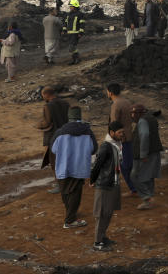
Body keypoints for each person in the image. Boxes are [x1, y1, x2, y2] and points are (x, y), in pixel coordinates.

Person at [51, 106, 97, 229]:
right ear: (80, 116)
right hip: (79, 167)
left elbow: (54, 149)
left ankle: (70, 212)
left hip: (63, 166)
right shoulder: (87, 131)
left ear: (69, 117)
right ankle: (70, 220)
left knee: (65, 191)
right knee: (75, 192)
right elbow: (93, 149)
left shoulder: (60, 131)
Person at [90, 121, 125, 251]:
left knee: (108, 212)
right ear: (111, 133)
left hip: (113, 183)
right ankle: (97, 243)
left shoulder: (117, 145)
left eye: (123, 132)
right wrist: (92, 180)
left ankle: (103, 237)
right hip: (104, 184)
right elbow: (97, 165)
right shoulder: (106, 146)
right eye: (119, 132)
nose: (122, 134)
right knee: (102, 213)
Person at [106, 84, 137, 197]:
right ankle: (134, 188)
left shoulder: (116, 105)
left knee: (124, 165)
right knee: (127, 164)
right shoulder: (127, 102)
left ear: (110, 92)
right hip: (129, 136)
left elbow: (114, 124)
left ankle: (134, 188)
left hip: (121, 139)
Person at [130, 104, 163, 210]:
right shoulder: (151, 118)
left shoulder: (143, 121)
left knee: (135, 176)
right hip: (154, 152)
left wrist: (143, 154)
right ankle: (149, 197)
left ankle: (147, 199)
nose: (132, 115)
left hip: (145, 154)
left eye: (133, 113)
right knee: (149, 176)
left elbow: (144, 135)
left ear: (139, 113)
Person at [38, 86, 70, 192]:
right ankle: (68, 181)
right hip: (66, 135)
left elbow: (47, 122)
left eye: (43, 95)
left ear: (47, 94)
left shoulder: (48, 106)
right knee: (65, 159)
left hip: (53, 137)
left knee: (54, 161)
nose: (43, 98)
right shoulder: (66, 103)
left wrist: (39, 125)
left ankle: (59, 185)